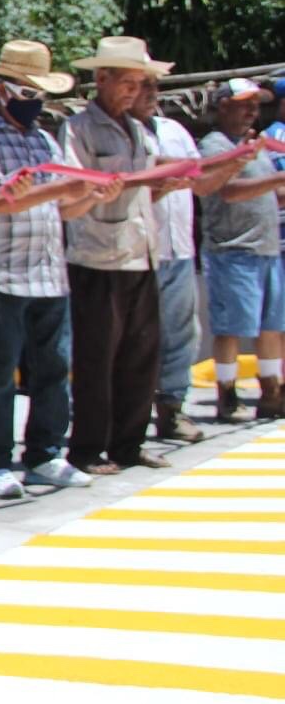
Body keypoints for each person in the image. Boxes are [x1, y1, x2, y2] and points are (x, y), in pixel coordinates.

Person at [0, 41, 111, 495]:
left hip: (48, 273)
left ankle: (45, 454)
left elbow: (63, 208)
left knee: (52, 370)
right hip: (1, 275)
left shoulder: (45, 139)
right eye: (24, 91)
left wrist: (91, 194)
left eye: (38, 92)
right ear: (1, 89)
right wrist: (61, 188)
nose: (33, 101)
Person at [60, 36, 184, 475]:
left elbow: (141, 187)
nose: (133, 90)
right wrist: (101, 189)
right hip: (98, 258)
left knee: (140, 356)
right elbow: (72, 191)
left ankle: (129, 444)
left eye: (139, 82)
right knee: (97, 359)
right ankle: (88, 448)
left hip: (141, 253)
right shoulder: (79, 128)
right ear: (101, 79)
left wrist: (161, 183)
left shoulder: (137, 128)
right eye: (126, 81)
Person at [134, 78, 222, 441]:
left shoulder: (175, 131)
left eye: (154, 85)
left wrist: (232, 164)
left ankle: (172, 410)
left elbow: (202, 182)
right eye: (141, 85)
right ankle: (131, 419)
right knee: (138, 339)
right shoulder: (121, 133)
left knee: (182, 334)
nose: (151, 93)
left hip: (180, 248)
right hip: (138, 253)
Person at [197, 78, 285, 420]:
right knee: (231, 328)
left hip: (265, 248)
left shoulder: (255, 145)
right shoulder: (214, 145)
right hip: (231, 250)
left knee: (270, 326)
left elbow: (268, 193)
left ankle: (271, 391)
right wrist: (278, 180)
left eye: (255, 104)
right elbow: (228, 191)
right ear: (223, 106)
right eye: (244, 103)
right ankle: (228, 394)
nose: (252, 110)